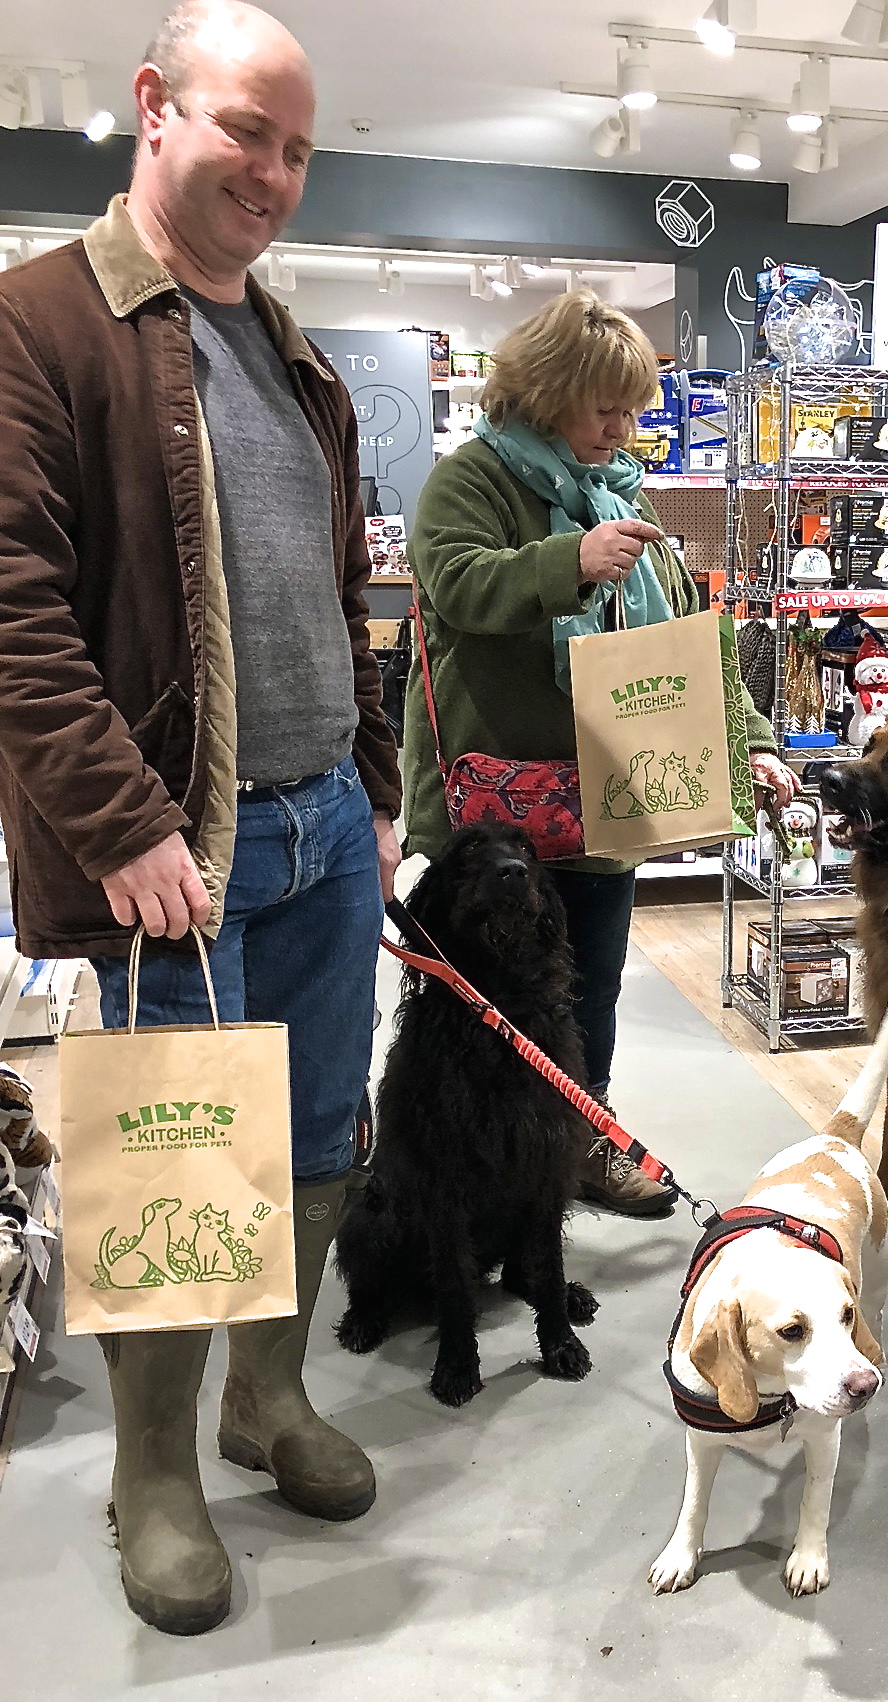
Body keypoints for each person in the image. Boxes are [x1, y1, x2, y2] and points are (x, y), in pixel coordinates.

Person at [0, 2, 402, 1635]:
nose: (276, 171)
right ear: (152, 108)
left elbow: (337, 598)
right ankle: (151, 1474)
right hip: (170, 856)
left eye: (299, 147)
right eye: (249, 129)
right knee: (172, 1162)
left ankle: (267, 1399)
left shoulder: (297, 357)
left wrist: (373, 796)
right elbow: (11, 600)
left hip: (318, 838)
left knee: (310, 1150)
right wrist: (119, 822)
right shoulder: (42, 321)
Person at [404, 291, 795, 1214]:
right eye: (604, 407)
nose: (623, 428)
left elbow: (684, 647)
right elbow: (455, 584)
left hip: (608, 792)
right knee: (480, 1002)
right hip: (499, 813)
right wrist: (568, 562)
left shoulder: (624, 491)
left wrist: (755, 747)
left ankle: (582, 1138)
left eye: (632, 409)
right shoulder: (472, 479)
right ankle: (473, 1160)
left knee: (590, 985)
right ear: (546, 391)